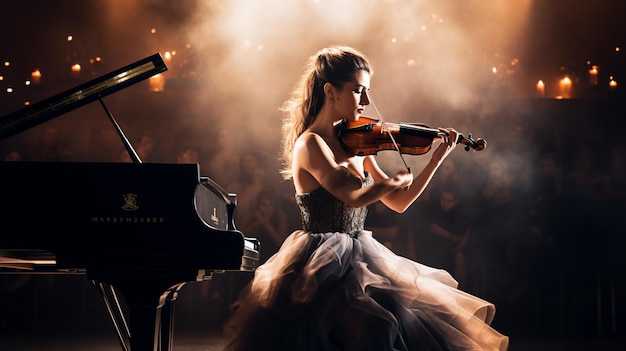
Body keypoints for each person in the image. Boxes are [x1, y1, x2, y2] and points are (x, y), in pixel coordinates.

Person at [221, 45, 508, 351]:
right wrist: (393, 181)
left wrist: (436, 158)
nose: (367, 101)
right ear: (331, 92)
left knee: (391, 326)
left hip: (362, 254)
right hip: (320, 264)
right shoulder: (311, 144)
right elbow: (352, 195)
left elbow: (400, 202)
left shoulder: (357, 143)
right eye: (358, 91)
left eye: (367, 91)